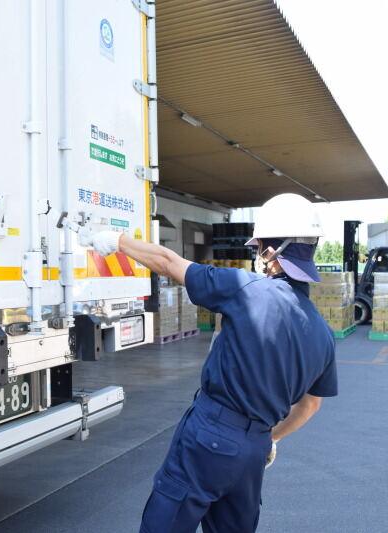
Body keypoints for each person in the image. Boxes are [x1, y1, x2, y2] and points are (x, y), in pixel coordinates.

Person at [81, 193, 337, 533]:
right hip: (255, 449)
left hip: (211, 436)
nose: (257, 258)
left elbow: (169, 263)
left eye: (258, 248)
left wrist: (117, 241)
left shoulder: (247, 289)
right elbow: (311, 406)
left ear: (272, 254)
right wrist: (270, 439)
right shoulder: (323, 333)